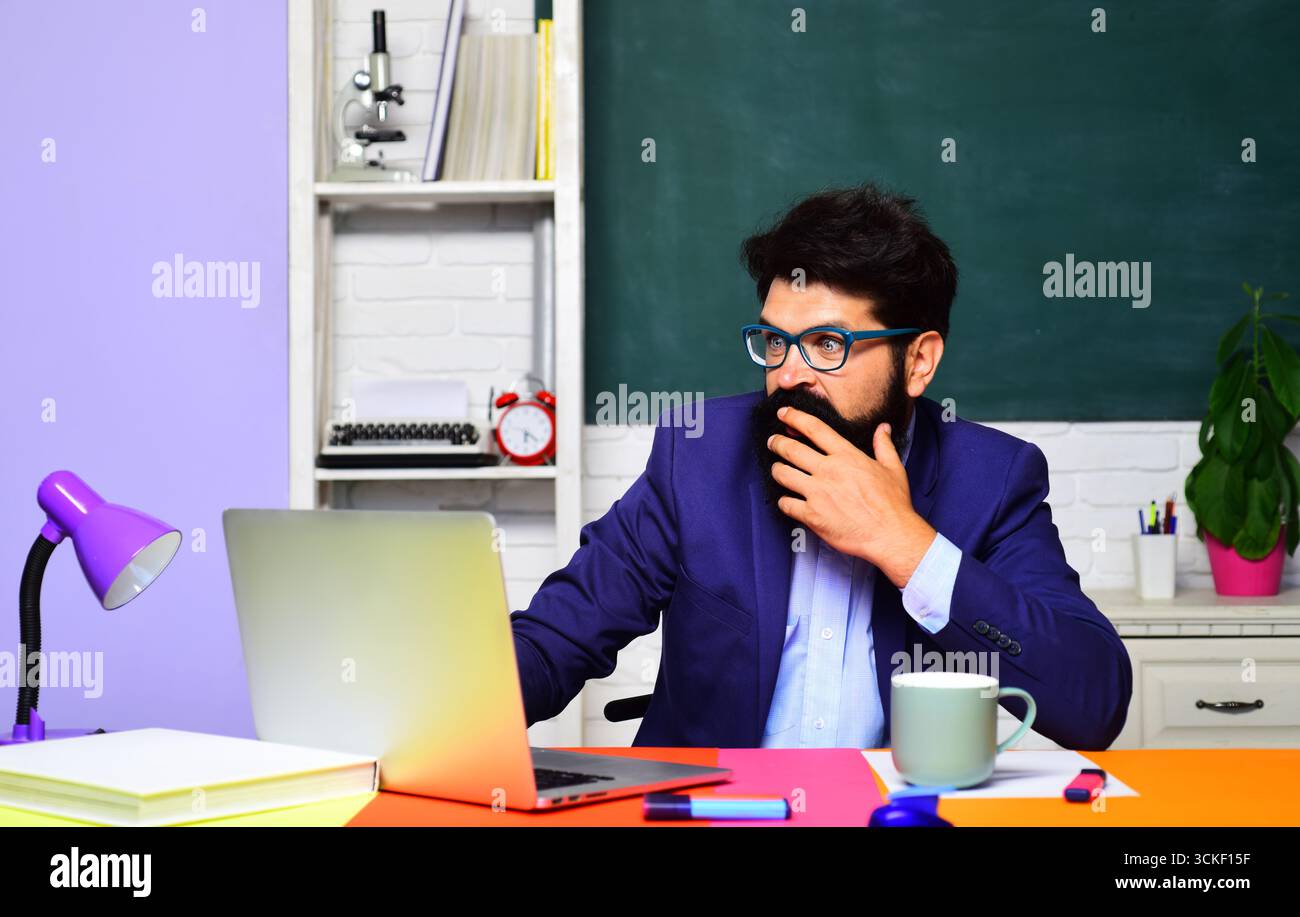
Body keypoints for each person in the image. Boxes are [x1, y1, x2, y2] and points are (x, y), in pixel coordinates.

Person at [510, 183, 1132, 749]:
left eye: (828, 345)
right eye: (776, 341)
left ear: (919, 362)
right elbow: (554, 641)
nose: (788, 374)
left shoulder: (993, 480)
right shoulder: (697, 456)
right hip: (716, 813)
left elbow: (1094, 703)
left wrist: (905, 544)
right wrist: (445, 711)